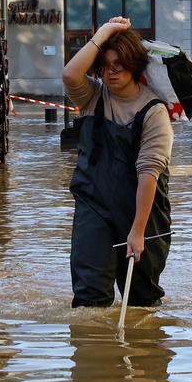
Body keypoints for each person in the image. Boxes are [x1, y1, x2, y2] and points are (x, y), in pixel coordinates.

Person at [62, 16, 173, 308]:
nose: (110, 73)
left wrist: (136, 231)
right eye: (105, 66)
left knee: (141, 302)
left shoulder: (154, 112)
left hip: (143, 213)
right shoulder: (92, 97)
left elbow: (148, 175)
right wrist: (103, 33)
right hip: (93, 207)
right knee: (89, 300)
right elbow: (70, 75)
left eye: (118, 66)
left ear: (134, 66)